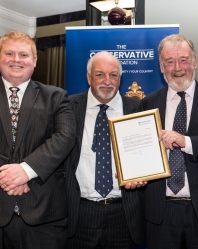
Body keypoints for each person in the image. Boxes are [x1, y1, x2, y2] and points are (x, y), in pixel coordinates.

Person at [0, 31, 76, 248]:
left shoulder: (56, 96)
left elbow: (65, 136)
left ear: (34, 60)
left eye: (23, 55)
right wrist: (8, 176)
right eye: (9, 53)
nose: (16, 60)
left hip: (42, 215)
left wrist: (26, 170)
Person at [141, 34, 198, 248]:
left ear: (195, 61)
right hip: (160, 213)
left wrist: (186, 142)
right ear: (161, 67)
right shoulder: (148, 103)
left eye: (183, 59)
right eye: (169, 62)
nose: (178, 67)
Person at [65, 51, 146, 249]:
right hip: (79, 214)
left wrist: (143, 173)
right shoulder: (68, 107)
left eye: (114, 75)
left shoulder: (139, 108)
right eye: (100, 74)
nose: (107, 81)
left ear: (120, 78)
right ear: (88, 77)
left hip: (123, 216)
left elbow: (146, 155)